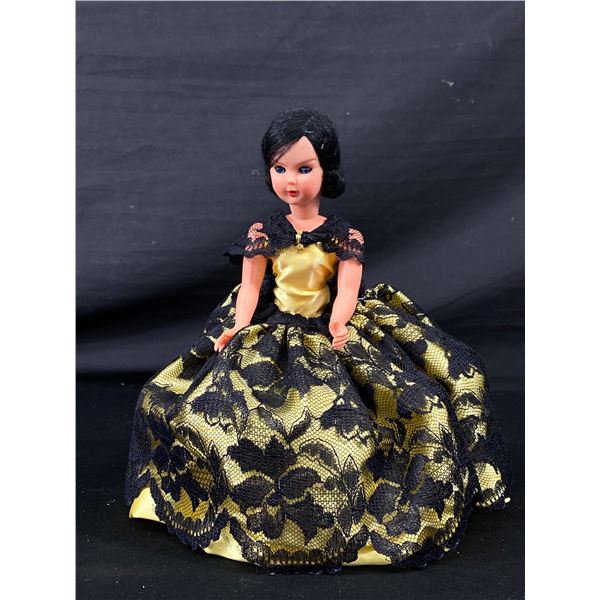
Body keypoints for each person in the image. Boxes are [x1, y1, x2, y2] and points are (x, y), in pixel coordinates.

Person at [124, 108, 511, 574]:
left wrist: (340, 325)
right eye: (280, 168)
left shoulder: (343, 237)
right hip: (274, 329)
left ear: (326, 171)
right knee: (206, 407)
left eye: (304, 169)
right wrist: (237, 325)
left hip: (327, 327)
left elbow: (346, 289)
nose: (291, 181)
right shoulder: (263, 234)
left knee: (404, 404)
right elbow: (250, 288)